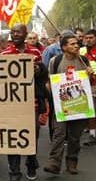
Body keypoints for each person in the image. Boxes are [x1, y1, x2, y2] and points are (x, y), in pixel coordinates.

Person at [0, 24, 47, 181]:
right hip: (11, 104)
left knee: (32, 132)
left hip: (31, 101)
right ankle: (14, 171)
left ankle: (31, 163)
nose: (15, 34)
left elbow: (43, 74)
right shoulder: (4, 53)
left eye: (18, 32)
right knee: (12, 135)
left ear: (25, 34)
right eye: (12, 32)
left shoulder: (35, 52)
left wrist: (38, 70)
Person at [43, 34, 93, 175]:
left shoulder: (83, 61)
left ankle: (72, 162)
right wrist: (51, 98)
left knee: (75, 136)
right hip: (61, 105)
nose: (76, 46)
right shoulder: (56, 61)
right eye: (72, 44)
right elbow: (49, 81)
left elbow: (87, 83)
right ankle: (54, 163)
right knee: (59, 133)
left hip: (79, 104)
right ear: (64, 47)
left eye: (77, 43)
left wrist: (89, 74)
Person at [80, 29, 96, 145]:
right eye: (87, 38)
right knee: (91, 110)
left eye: (91, 37)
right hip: (88, 85)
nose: (88, 40)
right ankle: (92, 134)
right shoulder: (81, 51)